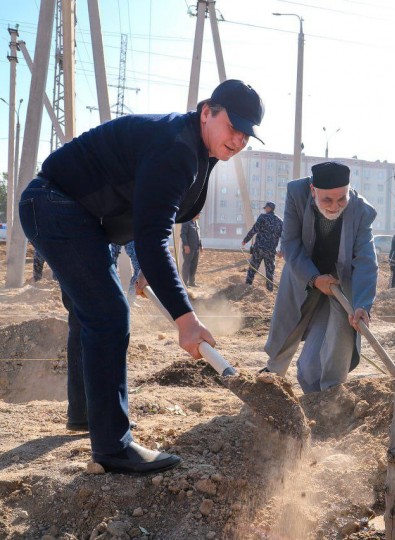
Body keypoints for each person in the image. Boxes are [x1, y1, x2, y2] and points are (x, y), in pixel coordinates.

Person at [18, 79, 265, 473]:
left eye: (246, 135)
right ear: (207, 112)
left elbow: (147, 215)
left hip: (78, 214)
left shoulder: (196, 149)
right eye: (232, 127)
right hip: (55, 203)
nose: (237, 140)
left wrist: (150, 267)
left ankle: (86, 417)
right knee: (109, 314)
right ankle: (114, 447)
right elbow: (153, 236)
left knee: (91, 313)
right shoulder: (176, 149)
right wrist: (187, 319)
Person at [263, 161, 378, 393]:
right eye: (327, 200)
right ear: (313, 190)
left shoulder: (361, 211)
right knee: (288, 329)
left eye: (342, 199)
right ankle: (270, 383)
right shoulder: (296, 193)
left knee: (338, 337)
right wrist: (315, 279)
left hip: (339, 282)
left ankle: (326, 396)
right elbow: (290, 244)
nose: (335, 206)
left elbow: (366, 260)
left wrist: (363, 305)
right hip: (303, 274)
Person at [242, 201, 283, 291]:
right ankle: (269, 290)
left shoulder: (262, 217)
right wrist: (281, 250)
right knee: (270, 271)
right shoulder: (280, 221)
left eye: (265, 208)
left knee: (252, 268)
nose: (265, 210)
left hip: (259, 249)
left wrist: (245, 240)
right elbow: (283, 237)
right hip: (271, 251)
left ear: (269, 208)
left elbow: (254, 230)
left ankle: (247, 286)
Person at [181, 214, 203, 287]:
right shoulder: (186, 222)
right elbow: (183, 234)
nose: (199, 215)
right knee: (187, 265)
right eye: (198, 213)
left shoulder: (196, 224)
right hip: (189, 249)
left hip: (195, 248)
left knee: (194, 265)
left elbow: (198, 236)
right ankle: (184, 282)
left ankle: (192, 282)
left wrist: (200, 246)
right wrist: (186, 245)